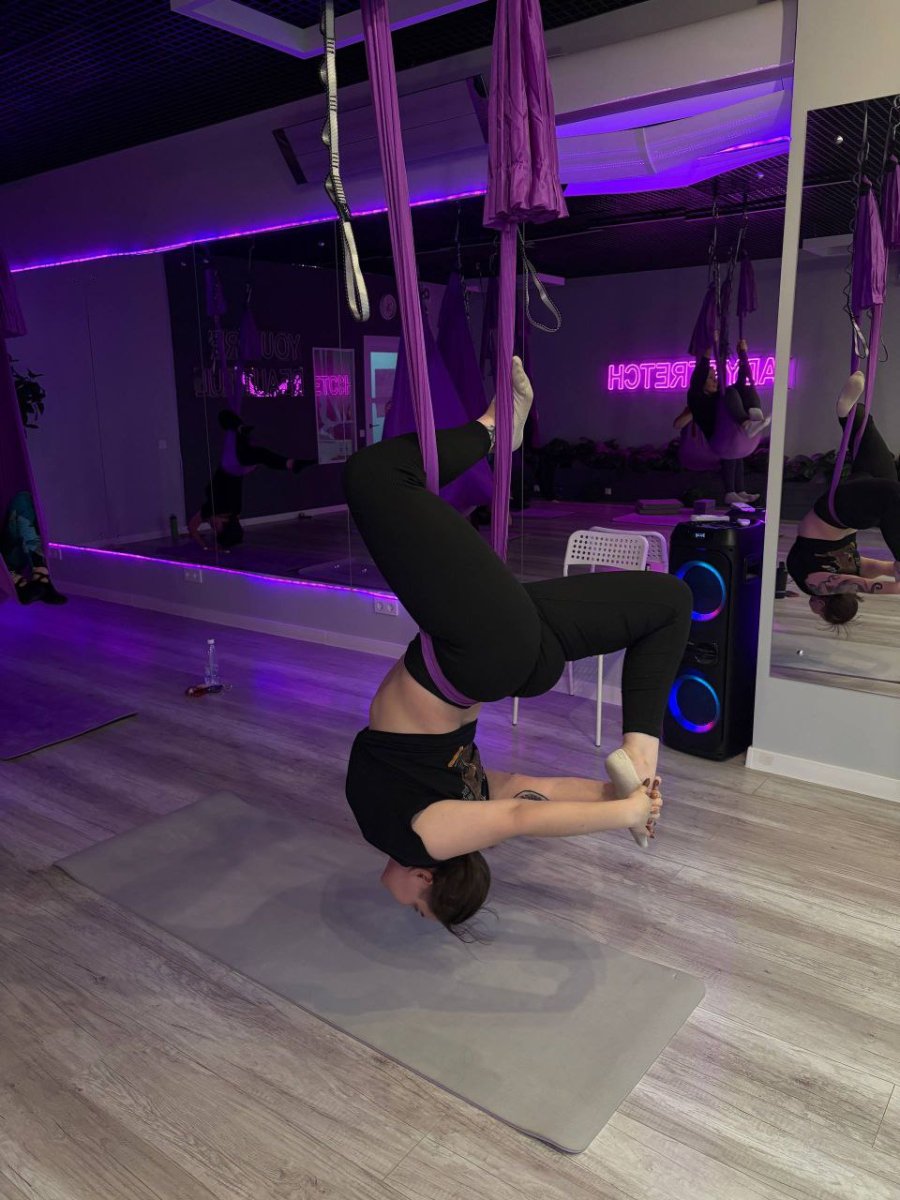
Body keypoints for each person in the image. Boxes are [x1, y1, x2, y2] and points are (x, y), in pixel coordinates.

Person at [343, 357, 692, 936]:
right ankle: (493, 432)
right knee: (373, 475)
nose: (405, 900)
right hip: (477, 652)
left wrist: (611, 794)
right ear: (426, 879)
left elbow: (532, 791)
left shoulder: (451, 810)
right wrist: (627, 807)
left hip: (510, 660)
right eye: (416, 906)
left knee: (670, 603)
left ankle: (638, 760)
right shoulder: (418, 840)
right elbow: (518, 815)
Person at [786, 370, 900, 626]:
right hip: (856, 510)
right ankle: (847, 412)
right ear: (823, 608)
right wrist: (888, 568)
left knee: (893, 496)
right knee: (870, 443)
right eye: (821, 615)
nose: (814, 611)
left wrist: (896, 583)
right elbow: (865, 568)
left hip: (835, 513)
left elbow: (864, 585)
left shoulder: (816, 585)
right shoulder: (840, 579)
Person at [187, 409, 314, 549]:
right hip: (231, 465)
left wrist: (208, 546)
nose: (212, 526)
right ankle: (289, 463)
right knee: (254, 450)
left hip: (242, 467)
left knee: (252, 448)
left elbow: (194, 527)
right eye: (216, 527)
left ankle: (290, 463)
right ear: (225, 522)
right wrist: (205, 547)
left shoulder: (234, 511)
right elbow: (193, 527)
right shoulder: (212, 509)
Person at [673, 339, 771, 506]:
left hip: (731, 440)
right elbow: (699, 375)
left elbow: (743, 380)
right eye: (711, 378)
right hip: (717, 442)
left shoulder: (720, 398)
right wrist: (710, 347)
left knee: (744, 388)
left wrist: (743, 354)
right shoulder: (697, 398)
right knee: (730, 393)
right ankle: (746, 424)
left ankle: (739, 491)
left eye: (715, 377)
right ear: (701, 382)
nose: (715, 381)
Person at [1, 490, 67, 604]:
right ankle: (37, 574)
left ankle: (40, 573)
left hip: (9, 553)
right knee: (23, 500)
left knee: (22, 499)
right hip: (9, 562)